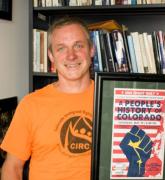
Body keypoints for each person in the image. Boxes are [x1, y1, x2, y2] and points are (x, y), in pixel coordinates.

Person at [0, 16, 95, 180]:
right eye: (61, 48)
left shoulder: (112, 98)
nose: (71, 56)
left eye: (78, 46)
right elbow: (12, 168)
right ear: (51, 55)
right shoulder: (31, 104)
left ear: (91, 50)